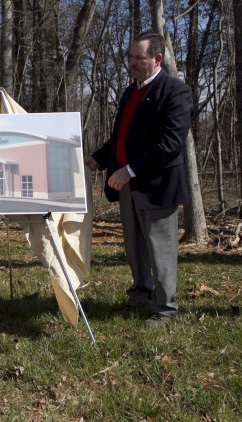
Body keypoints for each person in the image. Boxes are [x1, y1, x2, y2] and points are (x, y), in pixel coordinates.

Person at [84, 32, 193, 328]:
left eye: (138, 58)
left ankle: (166, 308)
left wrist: (128, 170)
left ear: (157, 59)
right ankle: (139, 296)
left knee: (160, 248)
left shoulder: (175, 92)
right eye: (130, 57)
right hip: (128, 185)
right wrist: (98, 158)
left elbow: (169, 144)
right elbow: (122, 138)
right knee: (134, 246)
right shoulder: (129, 92)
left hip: (157, 186)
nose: (131, 63)